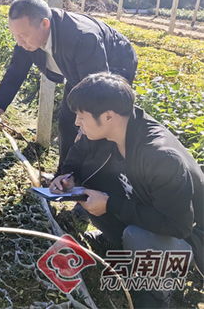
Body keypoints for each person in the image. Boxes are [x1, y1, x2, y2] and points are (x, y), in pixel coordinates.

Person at [49, 73, 203, 308]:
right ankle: (120, 249)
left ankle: (157, 294)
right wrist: (67, 175)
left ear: (108, 116)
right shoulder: (111, 129)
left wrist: (110, 205)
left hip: (186, 240)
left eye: (81, 116)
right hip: (145, 212)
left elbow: (178, 225)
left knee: (136, 235)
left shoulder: (160, 157)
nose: (76, 122)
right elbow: (78, 153)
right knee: (90, 193)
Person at [0, 0, 138, 170]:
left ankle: (97, 180)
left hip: (115, 64)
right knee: (67, 122)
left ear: (45, 24)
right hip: (79, 71)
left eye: (24, 35)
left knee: (100, 125)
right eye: (15, 36)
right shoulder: (27, 42)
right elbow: (14, 75)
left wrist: (85, 127)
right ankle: (64, 175)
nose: (19, 42)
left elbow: (97, 90)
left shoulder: (82, 38)